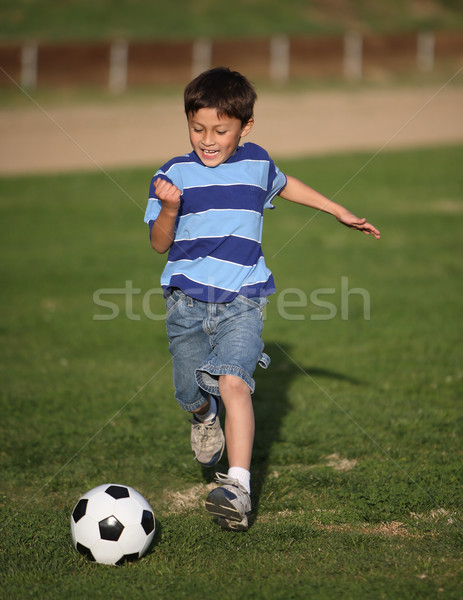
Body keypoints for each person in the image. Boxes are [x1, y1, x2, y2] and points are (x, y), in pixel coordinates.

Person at [144, 67, 380, 531]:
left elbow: (285, 183)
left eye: (220, 130)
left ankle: (238, 488)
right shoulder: (172, 174)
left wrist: (337, 209)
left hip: (244, 300)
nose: (207, 140)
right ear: (187, 121)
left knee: (234, 382)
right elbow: (158, 243)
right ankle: (202, 416)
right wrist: (170, 206)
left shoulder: (256, 163)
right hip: (186, 303)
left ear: (244, 127)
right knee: (190, 393)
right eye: (197, 128)